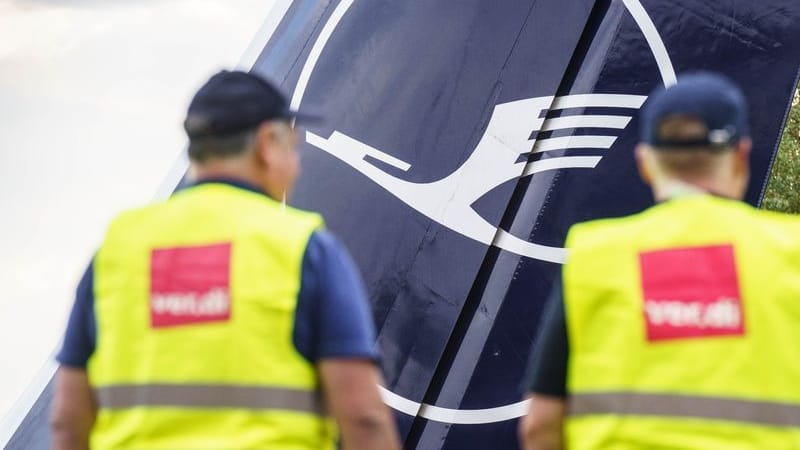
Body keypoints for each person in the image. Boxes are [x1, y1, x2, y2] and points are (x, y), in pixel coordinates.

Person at [49, 70, 401, 450]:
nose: (296, 166)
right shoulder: (302, 248)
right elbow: (363, 417)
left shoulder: (117, 250)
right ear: (267, 143)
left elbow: (68, 423)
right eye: (292, 148)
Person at [519, 72, 800, 450]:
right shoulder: (791, 250)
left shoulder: (595, 255)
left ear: (646, 163)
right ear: (741, 156)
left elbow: (541, 424)